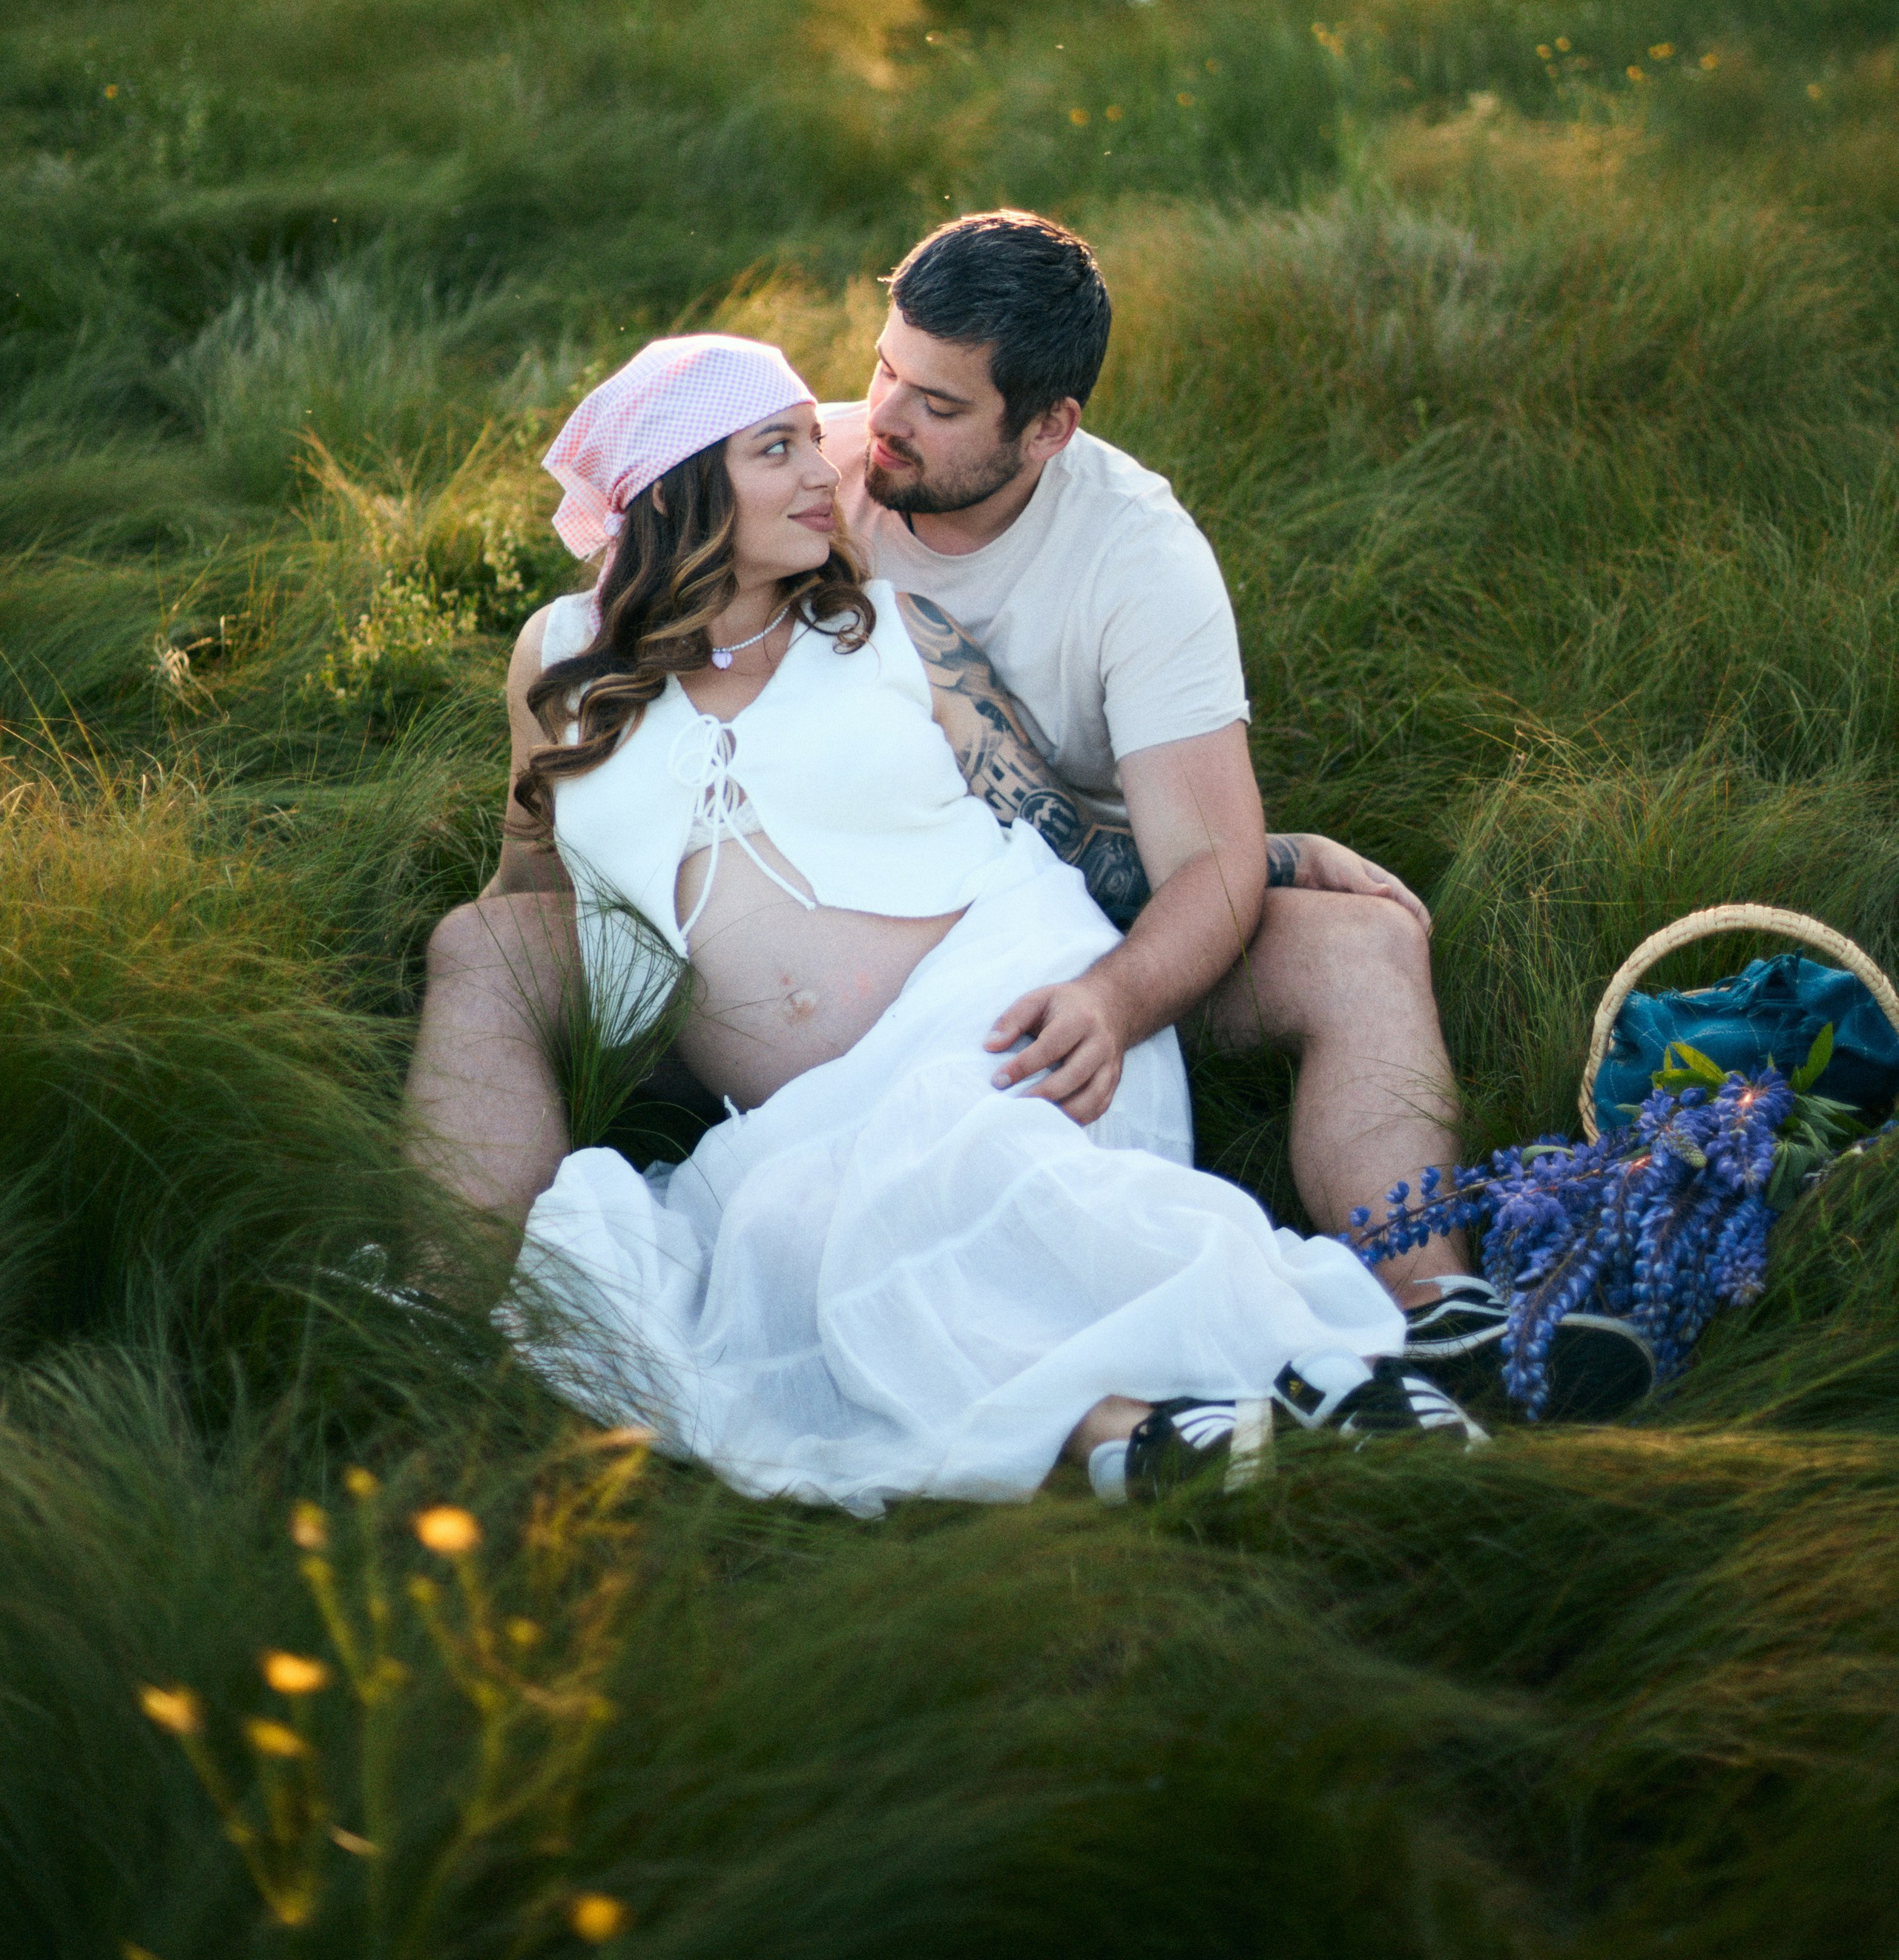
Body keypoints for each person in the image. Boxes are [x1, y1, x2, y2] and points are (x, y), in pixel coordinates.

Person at [407, 212, 1652, 1424]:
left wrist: (1135, 977)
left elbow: (1166, 865)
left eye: (939, 405)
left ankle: (1437, 1311)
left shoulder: (1134, 557)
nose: (877, 429)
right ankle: (430, 1308)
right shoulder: (812, 466)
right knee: (487, 945)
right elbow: (652, 546)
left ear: (1048, 427)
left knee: (1359, 945)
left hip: (1056, 909)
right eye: (883, 372)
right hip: (732, 952)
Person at [490, 332, 1488, 1508]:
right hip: (803, 1113)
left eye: (813, 441)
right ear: (676, 492)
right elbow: (530, 884)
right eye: (782, 448)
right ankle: (1140, 1430)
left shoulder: (892, 629)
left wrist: (1272, 858)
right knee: (797, 1239)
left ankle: (1371, 1349)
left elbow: (1064, 836)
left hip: (1000, 994)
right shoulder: (561, 660)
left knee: (961, 1161)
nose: (827, 469)